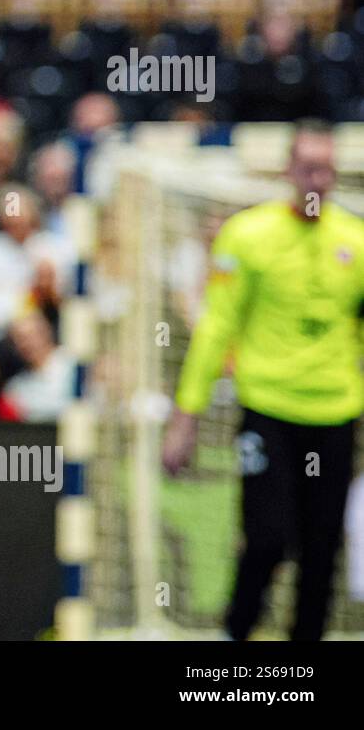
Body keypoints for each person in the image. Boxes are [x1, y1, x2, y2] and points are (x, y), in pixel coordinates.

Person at [163, 121, 364, 641]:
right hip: (268, 412)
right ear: (288, 171)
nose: (317, 178)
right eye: (307, 167)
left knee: (322, 552)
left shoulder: (356, 241)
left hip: (336, 415)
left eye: (326, 168)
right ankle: (236, 639)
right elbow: (215, 330)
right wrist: (185, 418)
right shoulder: (248, 236)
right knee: (268, 540)